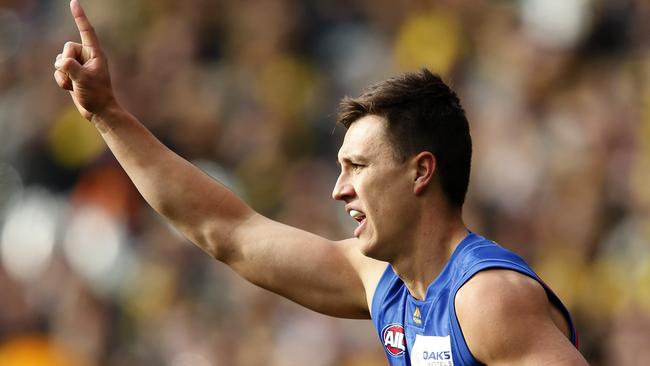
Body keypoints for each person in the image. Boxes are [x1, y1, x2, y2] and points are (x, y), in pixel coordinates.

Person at [53, 1, 589, 364]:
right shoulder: (384, 283)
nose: (339, 190)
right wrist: (107, 115)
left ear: (421, 171)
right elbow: (226, 230)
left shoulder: (488, 299)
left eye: (358, 167)